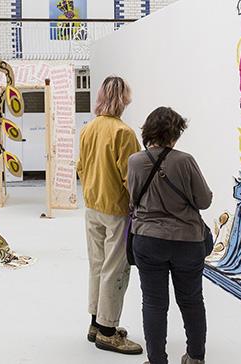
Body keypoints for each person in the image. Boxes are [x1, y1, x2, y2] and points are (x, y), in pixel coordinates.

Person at [128, 107, 213, 364]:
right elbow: (204, 201)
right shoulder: (185, 161)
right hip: (187, 240)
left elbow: (133, 200)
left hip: (148, 239)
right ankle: (195, 357)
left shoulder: (135, 161)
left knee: (154, 302)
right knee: (191, 300)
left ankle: (157, 360)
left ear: (148, 131)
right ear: (175, 134)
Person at [76, 76, 143, 355]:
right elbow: (131, 178)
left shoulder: (88, 129)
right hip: (117, 210)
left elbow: (81, 167)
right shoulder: (123, 133)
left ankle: (96, 323)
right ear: (122, 98)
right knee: (115, 270)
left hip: (92, 207)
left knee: (97, 265)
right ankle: (107, 332)